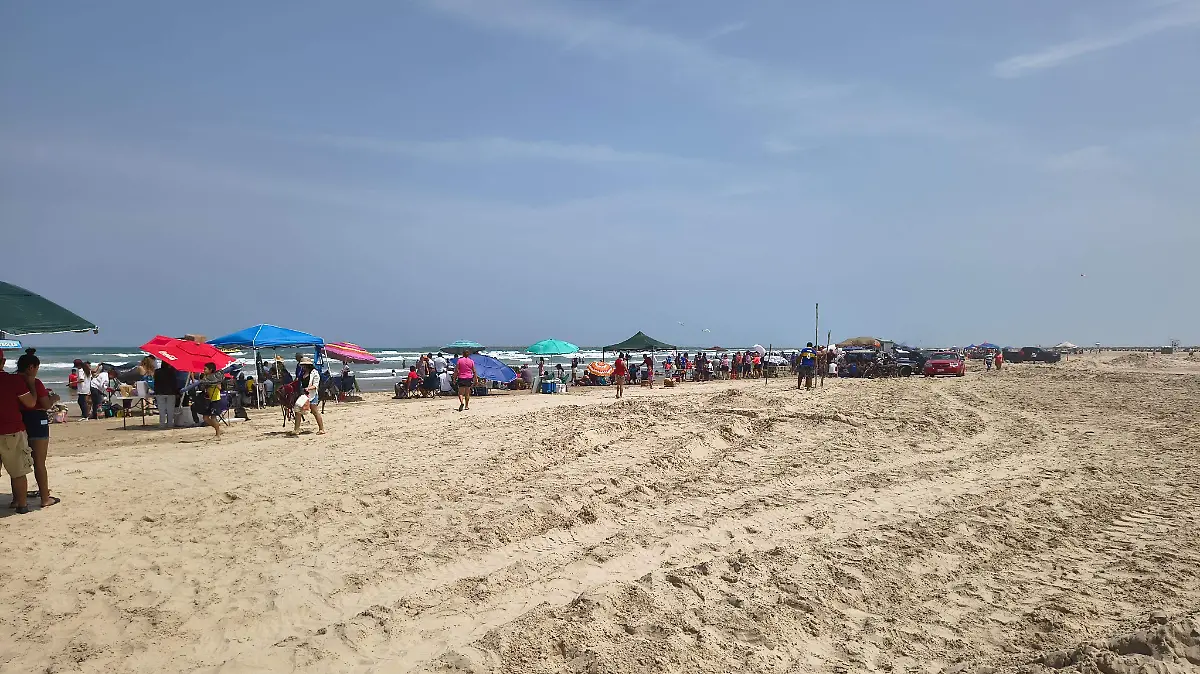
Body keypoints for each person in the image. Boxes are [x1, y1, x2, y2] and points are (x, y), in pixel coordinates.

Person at [16, 350, 61, 508]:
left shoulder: (13, 380)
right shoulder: (35, 382)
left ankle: (17, 498)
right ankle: (44, 498)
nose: (37, 371)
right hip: (36, 419)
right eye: (36, 367)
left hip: (19, 420)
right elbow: (46, 405)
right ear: (30, 367)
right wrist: (54, 398)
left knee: (18, 463)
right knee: (39, 462)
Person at [1, 349, 39, 513]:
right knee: (18, 471)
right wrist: (31, 383)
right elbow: (30, 402)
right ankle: (21, 505)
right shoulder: (12, 380)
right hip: (12, 430)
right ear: (3, 362)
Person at [291, 357, 326, 435]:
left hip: (312, 395)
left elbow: (315, 385)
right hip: (304, 395)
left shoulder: (315, 373)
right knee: (298, 410)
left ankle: (321, 429)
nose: (302, 366)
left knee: (315, 411)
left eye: (304, 365)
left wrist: (308, 388)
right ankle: (296, 429)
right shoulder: (302, 373)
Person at [198, 363, 225, 438]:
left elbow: (220, 388)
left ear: (210, 370)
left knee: (213, 418)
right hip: (208, 400)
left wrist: (216, 384)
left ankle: (218, 434)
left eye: (205, 369)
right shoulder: (205, 377)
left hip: (215, 400)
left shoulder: (216, 377)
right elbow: (202, 388)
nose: (204, 370)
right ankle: (218, 429)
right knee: (205, 418)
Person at [154, 360, 181, 428]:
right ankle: (170, 424)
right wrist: (177, 392)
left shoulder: (157, 372)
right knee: (170, 409)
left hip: (160, 392)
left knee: (161, 409)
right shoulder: (172, 372)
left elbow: (156, 383)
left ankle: (162, 424)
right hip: (170, 393)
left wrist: (155, 392)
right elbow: (174, 383)